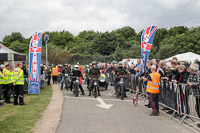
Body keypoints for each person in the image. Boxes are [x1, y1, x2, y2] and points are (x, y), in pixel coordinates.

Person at [187, 63, 200, 128]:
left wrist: (192, 84)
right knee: (197, 107)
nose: (189, 69)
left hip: (199, 92)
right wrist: (189, 83)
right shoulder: (191, 74)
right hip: (196, 94)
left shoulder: (198, 74)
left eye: (190, 68)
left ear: (192, 69)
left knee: (198, 107)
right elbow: (188, 81)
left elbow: (198, 82)